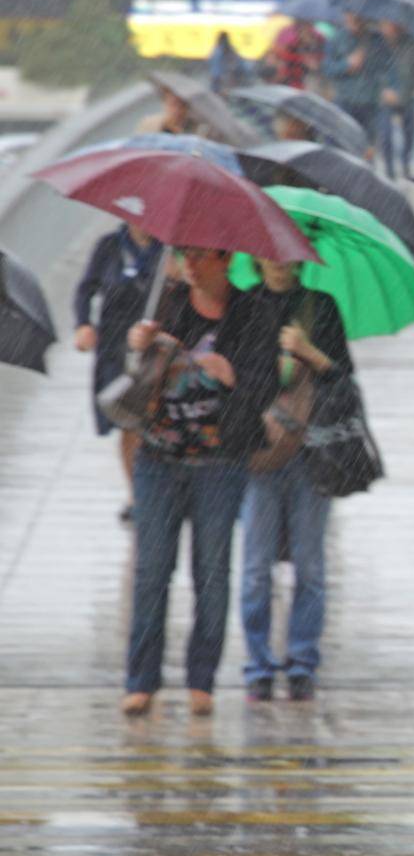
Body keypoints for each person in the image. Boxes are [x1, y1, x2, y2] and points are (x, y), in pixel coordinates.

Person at [121, 247, 280, 718]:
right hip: (159, 458)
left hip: (220, 461)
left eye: (202, 256)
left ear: (226, 258)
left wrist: (231, 375)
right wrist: (136, 346)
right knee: (151, 572)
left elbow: (266, 384)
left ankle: (201, 679)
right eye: (184, 254)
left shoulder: (253, 311)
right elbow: (133, 379)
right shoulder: (165, 303)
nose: (191, 265)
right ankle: (141, 679)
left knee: (210, 574)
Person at [239, 258, 353, 703]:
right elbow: (234, 378)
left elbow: (343, 381)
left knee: (310, 566)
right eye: (269, 251)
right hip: (259, 454)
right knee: (254, 569)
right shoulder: (244, 306)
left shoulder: (320, 306)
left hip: (311, 452)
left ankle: (303, 661)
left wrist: (311, 353)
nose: (278, 260)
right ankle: (259, 664)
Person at [73, 223, 164, 522]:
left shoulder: (167, 248)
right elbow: (85, 289)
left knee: (153, 419)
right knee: (128, 421)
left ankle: (157, 490)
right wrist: (83, 325)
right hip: (115, 347)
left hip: (155, 349)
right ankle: (137, 494)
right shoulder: (109, 245)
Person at [325, 12, 389, 154]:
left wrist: (370, 63)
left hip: (369, 101)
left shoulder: (377, 40)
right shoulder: (337, 39)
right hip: (345, 100)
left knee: (367, 147)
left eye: (357, 18)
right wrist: (346, 64)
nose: (353, 21)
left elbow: (387, 66)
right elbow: (328, 69)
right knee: (339, 143)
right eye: (349, 17)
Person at [378, 20, 414, 179]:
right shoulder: (377, 43)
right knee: (386, 133)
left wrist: (406, 93)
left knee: (410, 132)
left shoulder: (411, 44)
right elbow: (374, 70)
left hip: (407, 96)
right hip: (384, 97)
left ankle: (405, 163)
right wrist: (384, 90)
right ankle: (389, 168)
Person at [264, 17, 324, 89]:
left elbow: (319, 63)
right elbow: (283, 59)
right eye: (302, 30)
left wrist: (315, 65)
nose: (304, 32)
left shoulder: (318, 43)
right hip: (291, 79)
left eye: (307, 28)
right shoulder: (292, 45)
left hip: (308, 79)